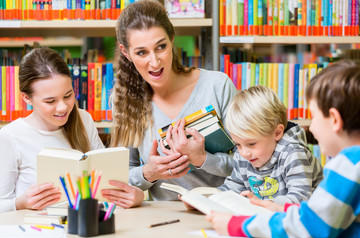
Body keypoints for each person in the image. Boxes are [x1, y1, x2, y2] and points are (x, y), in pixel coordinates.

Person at [206, 60, 360, 238]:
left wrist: (240, 226)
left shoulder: (348, 165)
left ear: (334, 119)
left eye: (314, 116)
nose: (312, 128)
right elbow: (322, 218)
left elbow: (311, 227)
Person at [111, 0, 237, 200]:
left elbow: (249, 162)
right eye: (141, 52)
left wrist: (203, 159)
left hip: (221, 210)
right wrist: (148, 173)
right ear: (126, 53)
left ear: (172, 39)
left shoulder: (217, 86)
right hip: (165, 218)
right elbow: (121, 175)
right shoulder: (124, 100)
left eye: (160, 47)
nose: (154, 61)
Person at [0, 48, 143, 213]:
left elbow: (108, 183)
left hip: (85, 227)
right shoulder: (10, 137)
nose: (62, 108)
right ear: (27, 98)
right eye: (50, 101)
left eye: (68, 95)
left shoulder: (84, 119)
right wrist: (20, 203)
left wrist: (135, 195)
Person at [217, 85, 323, 206]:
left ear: (277, 133)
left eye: (251, 144)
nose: (243, 153)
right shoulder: (244, 156)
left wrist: (262, 203)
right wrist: (209, 200)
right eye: (238, 145)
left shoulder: (293, 154)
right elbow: (234, 186)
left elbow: (300, 198)